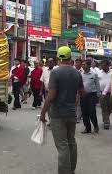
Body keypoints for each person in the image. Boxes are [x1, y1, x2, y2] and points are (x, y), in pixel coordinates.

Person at [40, 46, 84, 174]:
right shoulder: (77, 73)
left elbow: (51, 96)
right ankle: (71, 170)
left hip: (58, 115)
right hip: (71, 113)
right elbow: (82, 92)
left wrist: (43, 113)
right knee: (71, 142)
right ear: (70, 58)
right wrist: (73, 100)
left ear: (59, 58)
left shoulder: (55, 73)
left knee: (62, 145)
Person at [80, 59, 101, 134]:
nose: (83, 66)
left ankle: (95, 126)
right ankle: (87, 128)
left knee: (92, 112)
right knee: (84, 112)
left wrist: (98, 96)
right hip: (83, 95)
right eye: (82, 64)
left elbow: (97, 85)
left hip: (92, 95)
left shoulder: (94, 74)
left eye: (84, 64)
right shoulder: (81, 74)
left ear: (89, 66)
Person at [98, 60, 112, 130]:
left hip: (111, 93)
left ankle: (106, 118)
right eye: (102, 65)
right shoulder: (99, 73)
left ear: (108, 66)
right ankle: (106, 122)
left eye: (104, 65)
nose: (102, 66)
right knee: (104, 108)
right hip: (101, 93)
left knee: (109, 108)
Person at [74, 58, 84, 123]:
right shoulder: (72, 70)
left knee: (80, 104)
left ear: (81, 64)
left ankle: (78, 117)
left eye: (78, 63)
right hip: (73, 90)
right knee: (74, 103)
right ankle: (74, 116)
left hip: (80, 89)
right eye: (76, 63)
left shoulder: (83, 71)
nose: (77, 64)